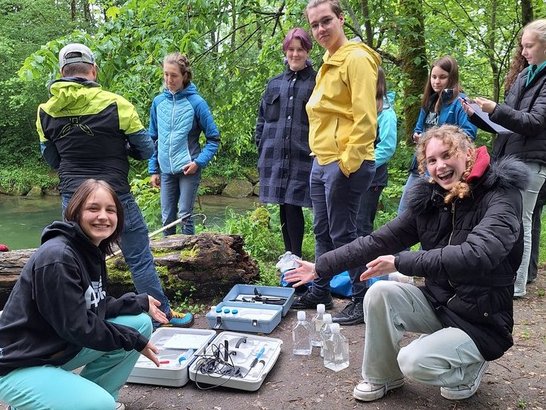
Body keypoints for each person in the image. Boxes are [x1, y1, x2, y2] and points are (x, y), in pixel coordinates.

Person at [285, 125, 527, 402]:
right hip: (440, 305)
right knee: (380, 293)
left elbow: (479, 254)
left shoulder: (501, 196)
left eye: (447, 155)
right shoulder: (432, 201)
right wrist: (321, 267)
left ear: (467, 153)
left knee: (413, 361)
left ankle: (469, 367)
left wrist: (401, 262)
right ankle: (382, 376)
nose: (440, 166)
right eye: (432, 161)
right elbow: (377, 242)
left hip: (482, 320)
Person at [36, 43, 193, 327]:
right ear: (93, 71)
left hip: (73, 197)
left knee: (77, 260)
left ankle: (84, 319)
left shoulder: (46, 110)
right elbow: (146, 149)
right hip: (114, 195)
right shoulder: (116, 103)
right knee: (139, 258)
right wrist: (123, 146)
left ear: (61, 73)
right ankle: (161, 316)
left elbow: (51, 158)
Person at [0, 179, 167, 410]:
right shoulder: (58, 257)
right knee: (102, 399)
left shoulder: (89, 248)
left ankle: (89, 398)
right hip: (20, 361)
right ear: (76, 211)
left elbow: (92, 305)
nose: (103, 216)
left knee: (139, 323)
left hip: (53, 348)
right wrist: (133, 340)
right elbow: (78, 326)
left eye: (111, 210)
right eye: (93, 208)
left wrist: (136, 302)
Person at [291, 0, 381, 327]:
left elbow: (366, 118)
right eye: (314, 25)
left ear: (341, 19)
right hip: (322, 160)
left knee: (345, 234)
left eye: (326, 21)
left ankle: (361, 299)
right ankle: (321, 288)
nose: (320, 29)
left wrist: (347, 163)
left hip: (344, 162)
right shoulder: (330, 59)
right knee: (322, 231)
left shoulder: (356, 59)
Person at [461, 18, 546, 297]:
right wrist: (479, 115)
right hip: (508, 158)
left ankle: (518, 284)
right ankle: (503, 275)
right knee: (504, 216)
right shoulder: (524, 76)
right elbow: (506, 122)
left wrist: (496, 108)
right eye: (523, 46)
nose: (523, 52)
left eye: (529, 46)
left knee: (523, 219)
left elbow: (534, 122)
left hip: (532, 161)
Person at [255, 28, 316, 258]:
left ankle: (297, 256)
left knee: (293, 204)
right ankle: (289, 255)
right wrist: (261, 144)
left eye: (300, 49)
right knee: (283, 204)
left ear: (308, 51)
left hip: (303, 155)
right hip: (275, 155)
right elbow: (262, 118)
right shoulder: (274, 83)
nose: (295, 54)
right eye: (291, 49)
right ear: (285, 51)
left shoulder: (317, 81)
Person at [148, 52, 220, 236]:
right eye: (166, 74)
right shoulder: (158, 103)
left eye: (174, 75)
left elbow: (214, 139)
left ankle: (189, 261)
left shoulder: (197, 103)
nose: (169, 79)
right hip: (165, 170)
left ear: (184, 76)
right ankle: (167, 260)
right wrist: (153, 169)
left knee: (185, 216)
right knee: (167, 218)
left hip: (189, 169)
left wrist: (198, 162)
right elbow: (153, 139)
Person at [397, 55, 477, 216]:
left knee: (433, 215)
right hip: (421, 166)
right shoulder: (429, 102)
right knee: (403, 212)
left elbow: (468, 134)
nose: (437, 81)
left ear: (452, 78)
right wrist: (418, 136)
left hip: (445, 168)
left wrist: (442, 141)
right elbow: (418, 129)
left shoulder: (461, 102)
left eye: (442, 77)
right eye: (434, 77)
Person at [356, 67, 397, 237]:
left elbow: (387, 147)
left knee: (362, 223)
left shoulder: (386, 114)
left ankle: (363, 262)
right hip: (353, 174)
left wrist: (363, 162)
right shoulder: (360, 107)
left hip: (372, 177)